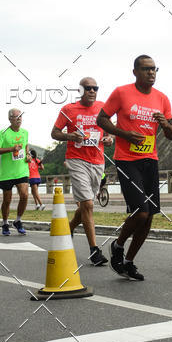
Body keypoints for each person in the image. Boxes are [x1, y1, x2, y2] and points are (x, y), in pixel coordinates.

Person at [97, 55, 172, 280]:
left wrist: (166, 125)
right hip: (126, 159)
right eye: (146, 69)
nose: (151, 73)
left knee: (149, 216)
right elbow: (101, 119)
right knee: (140, 211)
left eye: (154, 69)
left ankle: (129, 261)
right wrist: (124, 134)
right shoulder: (121, 92)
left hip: (150, 160)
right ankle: (118, 245)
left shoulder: (162, 98)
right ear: (135, 72)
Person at [51, 77, 113, 266]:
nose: (92, 91)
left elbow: (109, 130)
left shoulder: (103, 107)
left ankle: (69, 227)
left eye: (95, 88)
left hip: (97, 161)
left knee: (86, 206)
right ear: (80, 90)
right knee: (87, 204)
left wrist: (109, 137)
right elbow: (54, 132)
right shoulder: (69, 110)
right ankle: (94, 250)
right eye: (88, 88)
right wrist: (70, 135)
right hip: (76, 160)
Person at [0, 109, 30, 236]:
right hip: (7, 172)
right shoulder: (3, 133)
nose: (19, 118)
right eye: (16, 116)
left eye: (20, 116)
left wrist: (28, 155)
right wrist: (11, 149)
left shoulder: (25, 132)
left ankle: (18, 221)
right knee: (7, 200)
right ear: (10, 119)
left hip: (22, 170)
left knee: (24, 195)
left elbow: (26, 146)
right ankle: (5, 223)